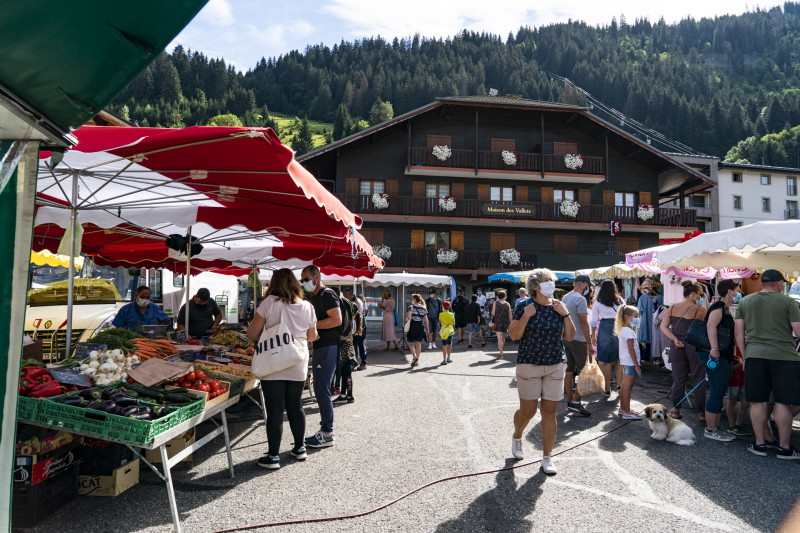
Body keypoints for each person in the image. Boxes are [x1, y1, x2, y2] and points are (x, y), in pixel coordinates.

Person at [246, 269, 317, 469]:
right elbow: (312, 337)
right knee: (296, 406)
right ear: (295, 283)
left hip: (274, 361)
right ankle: (299, 448)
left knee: (275, 409)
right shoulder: (307, 306)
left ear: (274, 284)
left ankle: (273, 456)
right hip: (297, 361)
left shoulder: (269, 303)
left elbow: (252, 333)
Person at [508, 268, 575, 475]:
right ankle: (517, 435)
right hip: (529, 364)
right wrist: (526, 316)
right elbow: (514, 335)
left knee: (549, 411)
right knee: (528, 411)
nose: (551, 284)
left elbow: (570, 337)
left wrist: (566, 314)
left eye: (552, 281)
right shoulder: (523, 305)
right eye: (547, 281)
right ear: (535, 286)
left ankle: (547, 456)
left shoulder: (558, 306)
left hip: (555, 364)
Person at [735, 269, 800, 459]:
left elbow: (739, 333)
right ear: (780, 283)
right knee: (783, 403)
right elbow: (798, 331)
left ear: (763, 283)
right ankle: (784, 448)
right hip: (785, 357)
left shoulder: (745, 301)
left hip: (755, 356)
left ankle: (760, 444)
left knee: (758, 401)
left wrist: (746, 357)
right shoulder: (788, 302)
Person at [300, 265, 342, 449]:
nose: (304, 283)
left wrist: (313, 326)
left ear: (316, 277)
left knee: (322, 390)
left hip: (328, 347)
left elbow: (336, 319)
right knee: (319, 389)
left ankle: (327, 433)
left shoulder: (327, 294)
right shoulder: (315, 297)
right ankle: (325, 431)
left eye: (306, 280)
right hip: (321, 347)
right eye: (302, 280)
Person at [697, 279, 740, 442]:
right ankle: (710, 429)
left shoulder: (725, 308)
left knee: (719, 390)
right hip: (715, 354)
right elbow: (710, 326)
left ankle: (714, 426)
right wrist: (714, 348)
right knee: (716, 390)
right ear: (729, 291)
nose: (738, 293)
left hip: (723, 355)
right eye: (737, 289)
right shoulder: (718, 307)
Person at [660, 281, 707, 422]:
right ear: (693, 294)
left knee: (678, 378)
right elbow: (706, 330)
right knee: (698, 378)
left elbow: (664, 327)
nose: (702, 297)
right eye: (701, 294)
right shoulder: (701, 310)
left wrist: (675, 339)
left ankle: (676, 410)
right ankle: (702, 413)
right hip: (695, 347)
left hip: (677, 346)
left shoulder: (673, 307)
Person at [562, 275, 595, 416]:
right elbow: (584, 322)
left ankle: (571, 400)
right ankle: (576, 402)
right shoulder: (580, 299)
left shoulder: (566, 297)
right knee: (583, 371)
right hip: (579, 338)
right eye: (588, 285)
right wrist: (589, 342)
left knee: (569, 369)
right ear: (584, 284)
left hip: (567, 337)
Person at [590, 280, 624, 397]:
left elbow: (594, 321)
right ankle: (620, 386)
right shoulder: (619, 300)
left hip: (604, 327)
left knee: (606, 360)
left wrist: (593, 335)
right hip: (618, 326)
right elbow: (624, 316)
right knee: (619, 358)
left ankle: (607, 389)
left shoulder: (598, 302)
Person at [615, 305, 642, 420]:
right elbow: (631, 350)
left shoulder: (623, 330)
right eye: (635, 316)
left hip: (625, 362)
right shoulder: (629, 332)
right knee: (627, 387)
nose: (637, 319)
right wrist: (637, 366)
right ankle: (626, 411)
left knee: (624, 386)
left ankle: (623, 408)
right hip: (630, 363)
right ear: (627, 317)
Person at [726, 346, 752, 437]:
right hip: (733, 379)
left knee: (746, 403)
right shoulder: (729, 348)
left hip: (744, 379)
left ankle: (738, 424)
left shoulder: (745, 347)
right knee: (731, 402)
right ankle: (732, 425)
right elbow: (728, 369)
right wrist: (740, 364)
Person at [406, 294, 429, 368]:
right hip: (420, 326)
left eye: (413, 298)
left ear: (415, 299)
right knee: (418, 344)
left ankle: (414, 357)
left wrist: (411, 317)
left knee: (411, 343)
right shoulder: (423, 308)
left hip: (413, 326)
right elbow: (426, 320)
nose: (412, 299)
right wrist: (427, 329)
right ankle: (417, 361)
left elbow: (409, 317)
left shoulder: (411, 307)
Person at [491, 290, 512, 358]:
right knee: (503, 337)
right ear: (505, 296)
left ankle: (501, 353)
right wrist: (510, 324)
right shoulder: (507, 304)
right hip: (505, 323)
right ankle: (502, 349)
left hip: (498, 322)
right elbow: (510, 315)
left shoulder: (495, 303)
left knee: (499, 339)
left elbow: (493, 314)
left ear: (498, 296)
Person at [354, 293, 368, 370]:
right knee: (357, 344)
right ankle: (357, 361)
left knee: (361, 344)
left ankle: (364, 361)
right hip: (358, 325)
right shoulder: (359, 302)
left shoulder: (360, 303)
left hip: (361, 325)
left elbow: (364, 313)